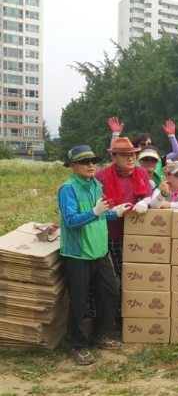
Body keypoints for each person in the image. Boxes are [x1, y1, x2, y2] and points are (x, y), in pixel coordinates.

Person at [58, 145, 129, 365]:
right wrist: (95, 212)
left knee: (110, 294)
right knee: (78, 302)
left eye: (92, 161)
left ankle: (98, 337)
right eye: (84, 162)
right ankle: (79, 346)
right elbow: (70, 221)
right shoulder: (68, 189)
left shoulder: (96, 185)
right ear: (72, 166)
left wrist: (113, 213)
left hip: (99, 251)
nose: (91, 165)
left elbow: (99, 214)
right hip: (78, 254)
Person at [94, 138, 152, 319]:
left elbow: (148, 195)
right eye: (125, 155)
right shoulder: (101, 176)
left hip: (135, 232)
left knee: (132, 273)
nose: (130, 159)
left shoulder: (141, 173)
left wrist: (144, 202)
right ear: (114, 158)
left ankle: (129, 312)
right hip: (111, 231)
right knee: (113, 275)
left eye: (133, 154)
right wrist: (111, 211)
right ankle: (112, 313)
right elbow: (94, 203)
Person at [107, 117, 178, 177]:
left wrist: (171, 136)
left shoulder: (157, 161)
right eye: (143, 144)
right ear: (136, 145)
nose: (146, 146)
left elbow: (177, 152)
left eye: (149, 144)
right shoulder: (131, 160)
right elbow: (114, 153)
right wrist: (115, 134)